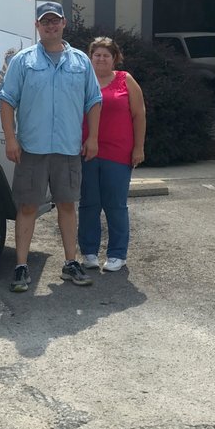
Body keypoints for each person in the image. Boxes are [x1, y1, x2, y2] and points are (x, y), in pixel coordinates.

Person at [0, 1, 102, 293]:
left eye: (55, 21)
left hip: (68, 148)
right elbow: (6, 100)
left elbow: (94, 100)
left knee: (67, 205)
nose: (51, 26)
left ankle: (70, 263)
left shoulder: (81, 61)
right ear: (37, 26)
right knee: (28, 206)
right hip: (32, 148)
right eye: (45, 22)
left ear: (64, 23)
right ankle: (21, 266)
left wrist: (93, 137)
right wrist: (10, 138)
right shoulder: (23, 61)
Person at [78, 37, 146, 272]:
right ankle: (89, 252)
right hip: (87, 151)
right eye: (96, 55)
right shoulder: (82, 80)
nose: (101, 59)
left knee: (115, 204)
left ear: (114, 58)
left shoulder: (125, 80)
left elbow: (139, 115)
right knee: (89, 203)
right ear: (90, 57)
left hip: (118, 153)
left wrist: (138, 147)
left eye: (106, 55)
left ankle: (117, 254)